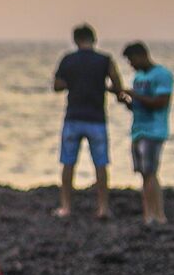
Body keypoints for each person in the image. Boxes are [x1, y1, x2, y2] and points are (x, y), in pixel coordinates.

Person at [52, 23, 129, 220]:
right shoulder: (104, 60)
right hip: (97, 118)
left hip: (73, 116)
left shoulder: (68, 60)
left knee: (68, 163)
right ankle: (102, 207)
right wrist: (108, 89)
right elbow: (117, 84)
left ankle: (66, 206)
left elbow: (57, 85)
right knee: (101, 164)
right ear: (94, 39)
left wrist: (74, 82)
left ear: (75, 40)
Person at [121, 42, 173, 226]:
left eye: (132, 59)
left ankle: (158, 215)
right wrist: (126, 100)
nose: (131, 64)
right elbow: (138, 107)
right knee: (144, 173)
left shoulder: (162, 75)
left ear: (142, 55)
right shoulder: (138, 77)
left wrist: (134, 95)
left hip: (154, 131)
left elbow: (160, 102)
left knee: (150, 172)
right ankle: (148, 213)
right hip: (138, 130)